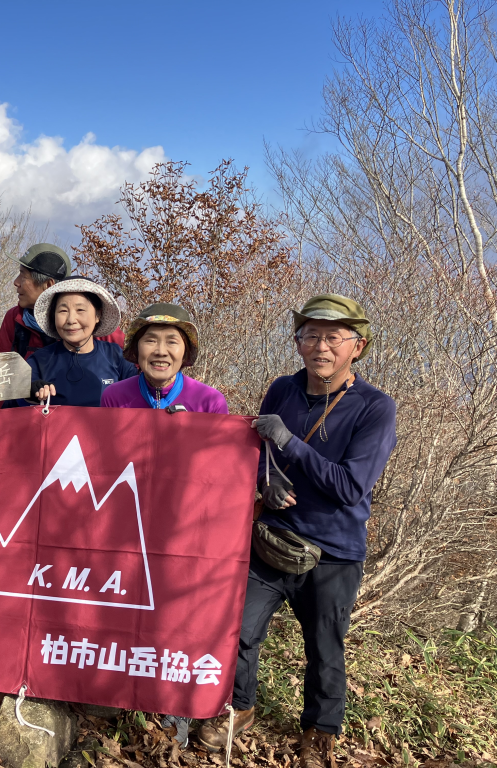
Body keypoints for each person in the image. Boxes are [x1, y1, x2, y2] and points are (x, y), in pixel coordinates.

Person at [196, 294, 397, 768]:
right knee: (238, 630)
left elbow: (350, 487)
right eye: (310, 335)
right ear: (298, 342)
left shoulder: (374, 407)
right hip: (271, 535)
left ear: (358, 346)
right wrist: (266, 475)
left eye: (333, 337)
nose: (320, 346)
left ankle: (319, 730)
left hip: (334, 552)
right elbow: (257, 449)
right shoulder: (283, 389)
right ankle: (240, 707)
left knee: (325, 647)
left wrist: (290, 443)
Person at [0, 243, 124, 360]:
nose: (16, 282)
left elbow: (128, 363)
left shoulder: (92, 323)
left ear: (48, 285)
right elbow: (1, 370)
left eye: (23, 276)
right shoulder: (15, 318)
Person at [22, 277, 135, 407]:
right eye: (63, 311)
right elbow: (13, 405)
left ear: (97, 315)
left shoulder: (117, 356)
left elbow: (140, 394)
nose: (71, 319)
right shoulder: (39, 360)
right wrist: (30, 394)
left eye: (80, 310)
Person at [100, 303, 227, 413]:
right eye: (150, 340)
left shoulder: (210, 402)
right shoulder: (114, 397)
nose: (161, 352)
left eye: (172, 342)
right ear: (136, 349)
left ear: (185, 352)